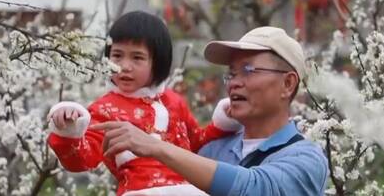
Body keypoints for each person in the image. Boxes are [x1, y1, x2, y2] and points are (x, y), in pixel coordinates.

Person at [92, 26, 329, 196]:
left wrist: (158, 147)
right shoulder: (212, 150)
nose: (234, 82)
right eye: (232, 73)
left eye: (248, 70)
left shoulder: (304, 158)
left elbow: (255, 188)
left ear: (287, 84)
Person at [46, 11, 241, 196]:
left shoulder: (174, 101)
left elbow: (196, 145)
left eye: (137, 57)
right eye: (117, 55)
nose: (124, 66)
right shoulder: (104, 109)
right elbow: (82, 160)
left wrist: (222, 123)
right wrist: (69, 131)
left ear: (158, 62)